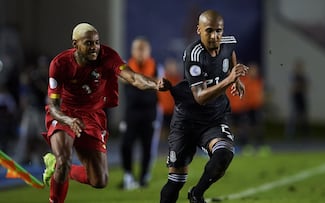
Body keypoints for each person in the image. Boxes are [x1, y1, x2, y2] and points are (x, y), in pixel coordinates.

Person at [42, 23, 170, 203]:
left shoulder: (108, 56)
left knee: (99, 180)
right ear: (75, 44)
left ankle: (55, 166)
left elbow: (133, 77)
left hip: (92, 115)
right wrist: (68, 120)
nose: (94, 47)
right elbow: (53, 105)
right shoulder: (59, 64)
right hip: (65, 112)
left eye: (96, 42)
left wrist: (154, 84)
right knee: (64, 158)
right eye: (88, 43)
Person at [160, 10, 249, 203]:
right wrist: (229, 80)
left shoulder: (227, 42)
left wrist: (236, 79)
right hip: (187, 121)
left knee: (224, 153)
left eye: (219, 31)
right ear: (198, 30)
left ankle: (197, 194)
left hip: (215, 118)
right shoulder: (194, 54)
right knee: (175, 181)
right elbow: (200, 97)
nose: (215, 36)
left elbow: (230, 53)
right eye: (209, 31)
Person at [119, 37, 159, 189]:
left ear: (148, 51)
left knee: (147, 146)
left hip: (149, 112)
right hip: (132, 112)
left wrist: (140, 81)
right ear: (132, 50)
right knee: (126, 144)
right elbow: (152, 83)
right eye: (138, 48)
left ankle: (143, 177)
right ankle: (128, 174)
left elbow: (157, 84)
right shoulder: (127, 66)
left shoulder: (154, 65)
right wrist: (149, 82)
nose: (140, 52)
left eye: (143, 49)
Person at [226, 63, 269, 156]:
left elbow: (260, 94)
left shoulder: (258, 81)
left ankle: (260, 146)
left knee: (256, 127)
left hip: (254, 108)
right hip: (241, 108)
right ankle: (244, 146)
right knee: (238, 128)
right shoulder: (243, 81)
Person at [285, 59, 309, 138]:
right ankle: (290, 134)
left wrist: (299, 87)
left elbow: (306, 88)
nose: (299, 68)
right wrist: (298, 87)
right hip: (295, 97)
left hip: (301, 97)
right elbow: (292, 89)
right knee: (293, 116)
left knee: (303, 115)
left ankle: (304, 133)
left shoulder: (303, 76)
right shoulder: (293, 76)